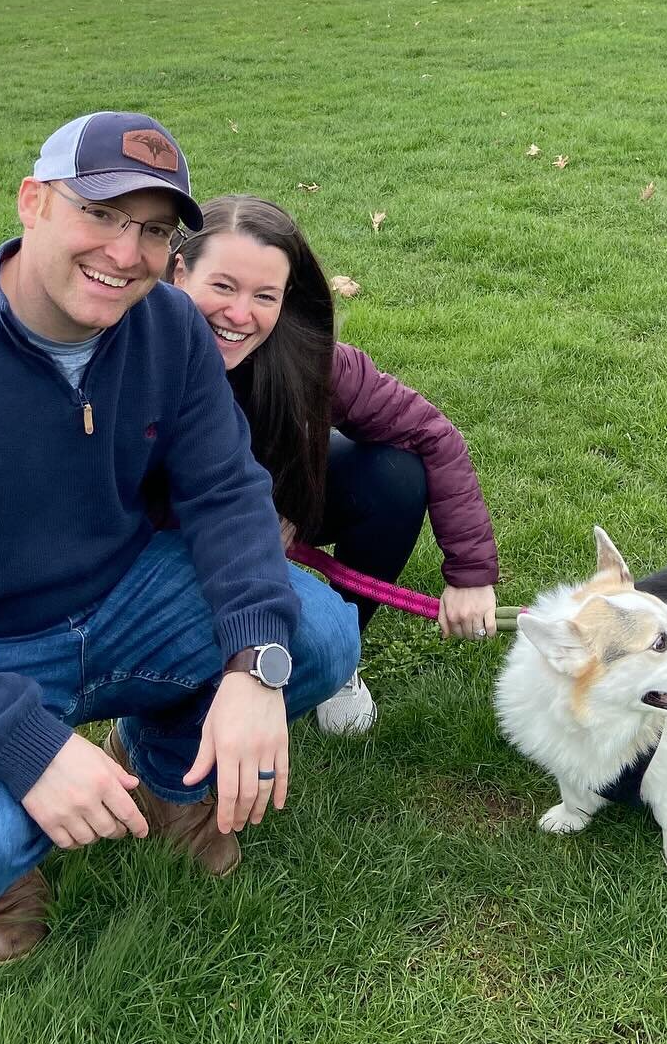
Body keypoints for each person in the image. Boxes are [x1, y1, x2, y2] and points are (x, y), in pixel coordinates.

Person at [0, 113, 359, 964]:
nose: (123, 251)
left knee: (315, 635)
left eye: (151, 230)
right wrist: (28, 750)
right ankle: (3, 872)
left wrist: (256, 664)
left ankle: (168, 772)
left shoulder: (169, 329)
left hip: (125, 601)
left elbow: (226, 493)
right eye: (99, 213)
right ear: (32, 202)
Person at [168, 196, 498, 737]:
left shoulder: (313, 360)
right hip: (180, 523)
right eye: (222, 286)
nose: (239, 314)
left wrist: (472, 576)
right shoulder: (130, 346)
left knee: (394, 475)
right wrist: (240, 529)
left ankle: (338, 650)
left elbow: (434, 434)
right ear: (180, 271)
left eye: (264, 296)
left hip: (285, 502)